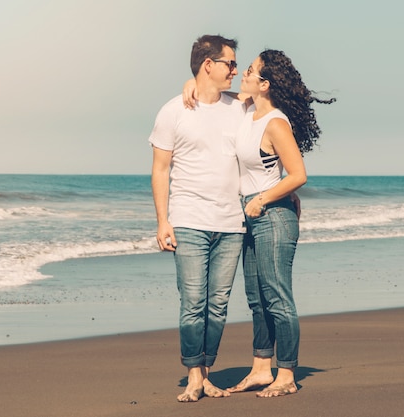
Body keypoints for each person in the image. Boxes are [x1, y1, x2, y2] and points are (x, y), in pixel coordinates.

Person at [183, 49, 335, 397]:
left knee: (277, 296)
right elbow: (211, 90)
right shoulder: (248, 109)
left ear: (264, 84)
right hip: (250, 217)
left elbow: (298, 175)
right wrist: (189, 83)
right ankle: (261, 368)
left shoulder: (275, 123)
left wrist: (263, 199)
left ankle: (287, 374)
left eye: (249, 71)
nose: (242, 75)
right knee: (256, 298)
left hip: (273, 217)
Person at [149, 34, 248, 402]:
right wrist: (163, 221)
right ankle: (194, 374)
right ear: (209, 64)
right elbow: (160, 170)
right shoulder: (173, 110)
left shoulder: (239, 106)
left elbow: (269, 100)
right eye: (230, 63)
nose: (236, 70)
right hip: (189, 220)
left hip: (230, 224)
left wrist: (194, 82)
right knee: (193, 302)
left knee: (218, 304)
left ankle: (205, 373)